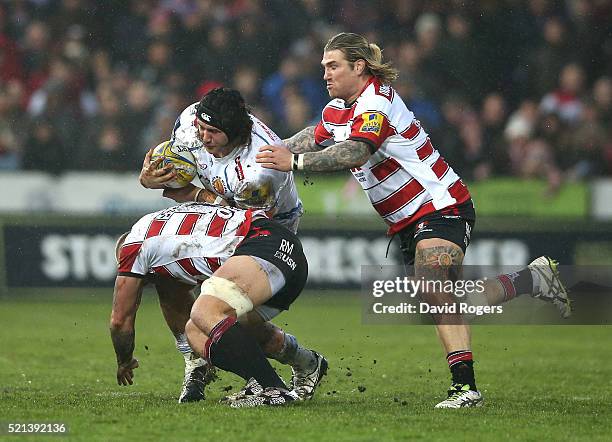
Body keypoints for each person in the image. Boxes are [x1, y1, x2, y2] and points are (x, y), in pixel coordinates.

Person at [256, 32, 571, 408]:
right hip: (406, 221)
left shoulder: (377, 102)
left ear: (358, 67)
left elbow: (356, 151)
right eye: (323, 67)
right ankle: (532, 279)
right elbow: (317, 135)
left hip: (441, 205)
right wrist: (271, 148)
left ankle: (466, 390)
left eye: (333, 66)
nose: (325, 74)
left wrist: (292, 162)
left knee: (435, 288)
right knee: (440, 296)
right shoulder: (337, 108)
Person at [138, 88, 309, 403]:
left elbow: (239, 222)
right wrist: (151, 179)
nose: (203, 137)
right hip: (217, 209)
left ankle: (295, 365)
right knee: (166, 273)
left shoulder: (262, 167)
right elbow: (177, 176)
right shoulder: (190, 119)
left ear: (236, 133)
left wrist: (202, 197)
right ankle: (196, 363)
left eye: (213, 132)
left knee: (227, 319)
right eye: (202, 128)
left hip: (266, 228)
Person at [110, 202, 327, 408]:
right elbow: (175, 295)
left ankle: (271, 388)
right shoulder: (164, 229)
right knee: (197, 331)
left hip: (265, 244)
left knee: (205, 312)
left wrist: (124, 361)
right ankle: (306, 361)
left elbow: (120, 321)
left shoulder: (133, 249)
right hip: (281, 256)